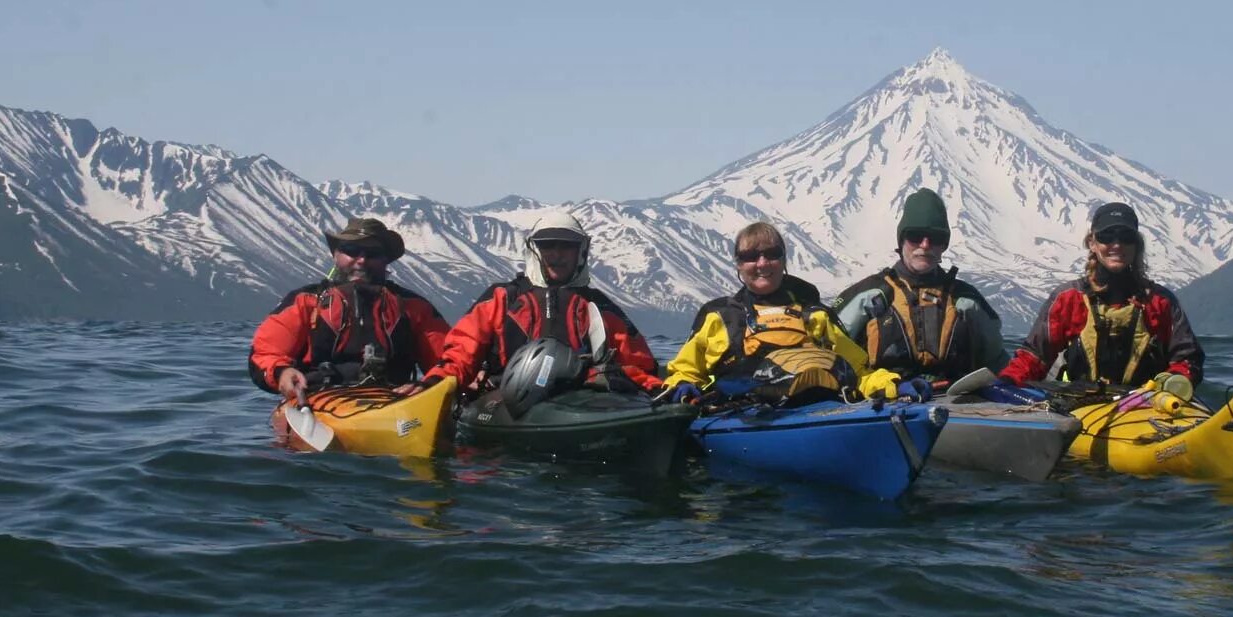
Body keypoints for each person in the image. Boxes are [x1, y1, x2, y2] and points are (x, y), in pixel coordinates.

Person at [661, 220, 923, 406]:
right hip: (742, 413)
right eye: (750, 256)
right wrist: (682, 385)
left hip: (815, 409)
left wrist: (894, 384)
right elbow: (686, 371)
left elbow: (860, 373)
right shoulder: (718, 317)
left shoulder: (816, 315)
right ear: (738, 265)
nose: (762, 263)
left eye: (772, 254)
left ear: (784, 260)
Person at [425, 207, 663, 394]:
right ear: (535, 250)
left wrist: (658, 389)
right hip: (503, 400)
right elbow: (460, 354)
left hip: (581, 402)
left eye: (567, 246)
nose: (557, 254)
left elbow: (638, 366)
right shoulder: (501, 298)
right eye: (548, 245)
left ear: (580, 251)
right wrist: (434, 383)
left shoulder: (600, 307)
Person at [996, 201, 1205, 390]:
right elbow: (1034, 357)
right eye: (1107, 236)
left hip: (1145, 405)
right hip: (1079, 403)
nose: (1117, 245)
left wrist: (1175, 383)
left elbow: (1187, 359)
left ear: (1136, 244)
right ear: (1092, 243)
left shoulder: (1160, 302)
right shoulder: (1069, 299)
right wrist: (1006, 383)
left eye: (1126, 237)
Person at [249, 217, 453, 405]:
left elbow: (449, 360)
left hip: (396, 401)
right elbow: (265, 354)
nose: (362, 260)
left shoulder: (414, 307)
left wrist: (429, 384)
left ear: (385, 260)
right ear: (336, 255)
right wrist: (282, 373)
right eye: (352, 250)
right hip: (314, 401)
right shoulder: (305, 302)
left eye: (372, 254)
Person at [832, 187, 1007, 387]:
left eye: (936, 238)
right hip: (881, 397)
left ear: (944, 246)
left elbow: (998, 363)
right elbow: (829, 353)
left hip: (956, 398)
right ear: (901, 241)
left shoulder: (967, 300)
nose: (924, 245)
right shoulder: (867, 296)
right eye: (915, 236)